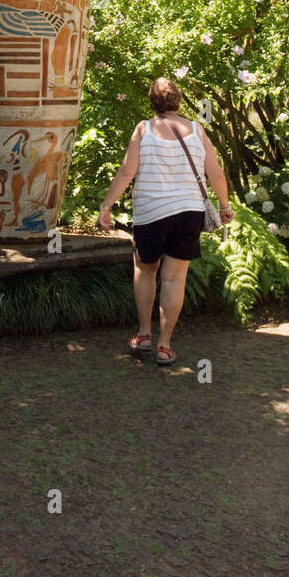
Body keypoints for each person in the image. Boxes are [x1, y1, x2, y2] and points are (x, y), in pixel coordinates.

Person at [97, 77, 234, 365]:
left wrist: (106, 206)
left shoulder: (143, 129)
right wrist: (224, 206)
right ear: (179, 100)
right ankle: (165, 345)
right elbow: (216, 173)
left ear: (152, 101)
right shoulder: (197, 130)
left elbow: (126, 173)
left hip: (150, 212)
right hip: (188, 213)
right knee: (174, 278)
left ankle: (144, 334)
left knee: (146, 269)